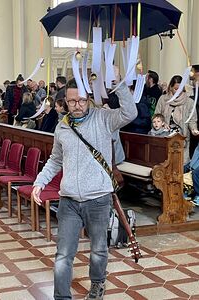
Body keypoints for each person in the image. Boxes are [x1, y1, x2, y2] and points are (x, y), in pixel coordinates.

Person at [31, 78, 137, 300]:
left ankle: (97, 284)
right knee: (63, 255)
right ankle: (61, 296)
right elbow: (55, 159)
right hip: (69, 201)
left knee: (98, 250)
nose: (77, 105)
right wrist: (40, 182)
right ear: (65, 102)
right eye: (72, 101)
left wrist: (118, 83)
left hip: (98, 199)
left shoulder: (104, 119)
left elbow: (130, 113)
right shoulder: (62, 126)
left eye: (81, 100)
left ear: (88, 99)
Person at [155, 75, 199, 163]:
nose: (178, 92)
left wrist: (194, 129)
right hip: (164, 135)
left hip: (181, 137)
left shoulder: (189, 102)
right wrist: (162, 124)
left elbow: (192, 119)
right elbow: (157, 115)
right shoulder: (163, 99)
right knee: (164, 163)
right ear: (170, 87)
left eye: (180, 89)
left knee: (179, 164)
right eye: (175, 89)